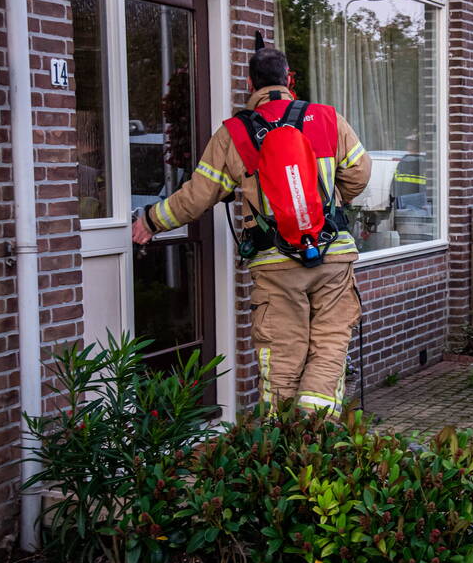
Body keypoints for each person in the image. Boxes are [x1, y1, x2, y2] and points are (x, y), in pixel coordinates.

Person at [132, 47, 371, 419]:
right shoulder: (327, 118)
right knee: (330, 345)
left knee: (281, 354)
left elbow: (195, 197)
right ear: (289, 79)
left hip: (275, 263)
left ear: (249, 83)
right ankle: (318, 439)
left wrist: (150, 221)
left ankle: (282, 446)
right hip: (333, 256)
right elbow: (359, 174)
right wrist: (329, 204)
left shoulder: (234, 133)